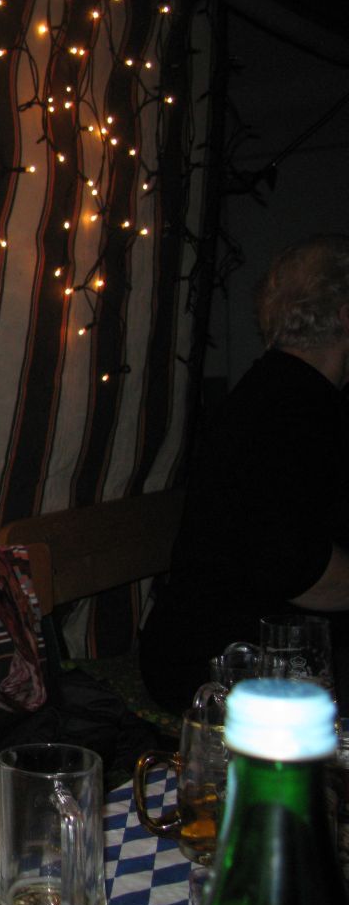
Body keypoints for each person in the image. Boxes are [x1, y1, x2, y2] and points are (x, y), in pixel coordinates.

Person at [140, 233, 349, 712]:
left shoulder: (282, 393)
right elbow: (298, 569)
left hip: (239, 648)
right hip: (220, 665)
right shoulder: (291, 408)